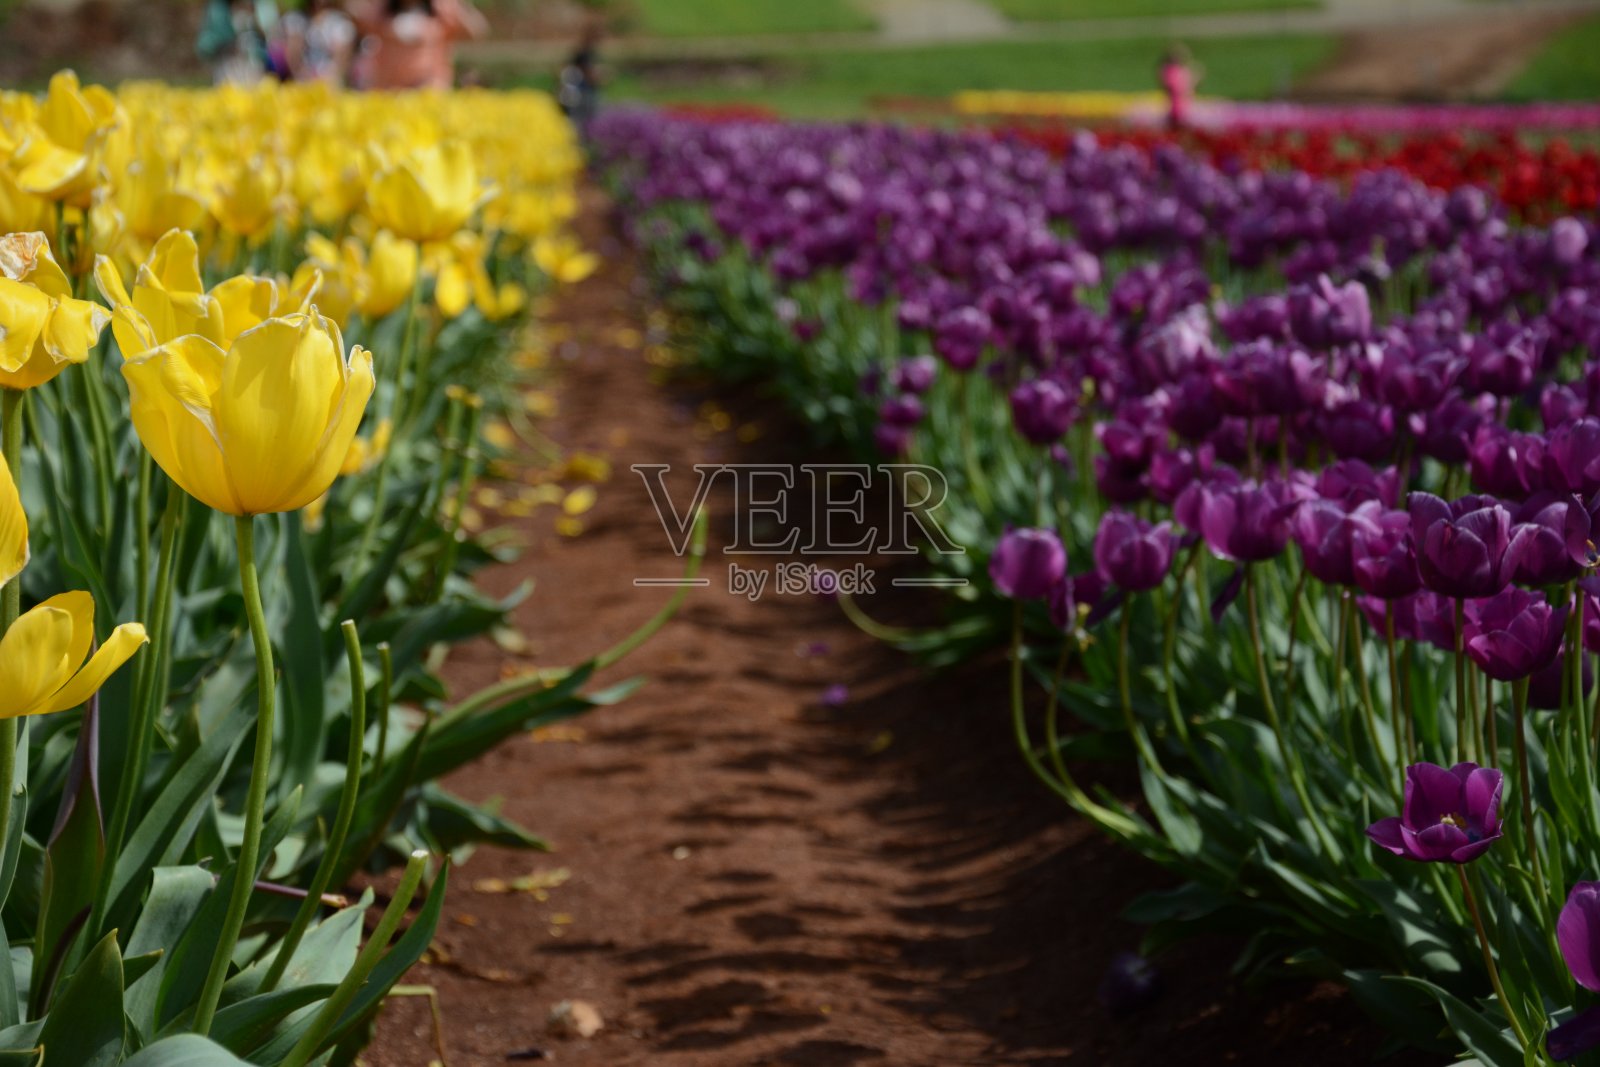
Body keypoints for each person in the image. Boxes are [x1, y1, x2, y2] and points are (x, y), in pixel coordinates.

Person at [350, 0, 488, 91]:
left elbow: (477, 31)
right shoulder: (382, 11)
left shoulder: (440, 11)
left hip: (429, 87)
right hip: (388, 88)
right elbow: (356, 17)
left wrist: (457, 6)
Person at [280, 0, 358, 84]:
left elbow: (341, 60)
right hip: (302, 82)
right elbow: (294, 55)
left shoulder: (341, 23)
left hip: (330, 83)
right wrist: (303, 76)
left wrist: (325, 80)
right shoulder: (296, 19)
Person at [198, 0, 272, 85]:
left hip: (252, 68)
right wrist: (227, 42)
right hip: (229, 67)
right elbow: (205, 46)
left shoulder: (260, 7)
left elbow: (267, 42)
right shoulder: (218, 11)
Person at [558, 21, 603, 141]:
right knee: (581, 122)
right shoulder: (584, 53)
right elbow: (586, 73)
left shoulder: (589, 52)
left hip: (586, 92)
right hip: (582, 93)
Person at [1158, 43, 1201, 131]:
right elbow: (1178, 89)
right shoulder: (1171, 71)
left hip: (1186, 106)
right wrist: (1194, 80)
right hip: (1178, 108)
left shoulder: (1181, 70)